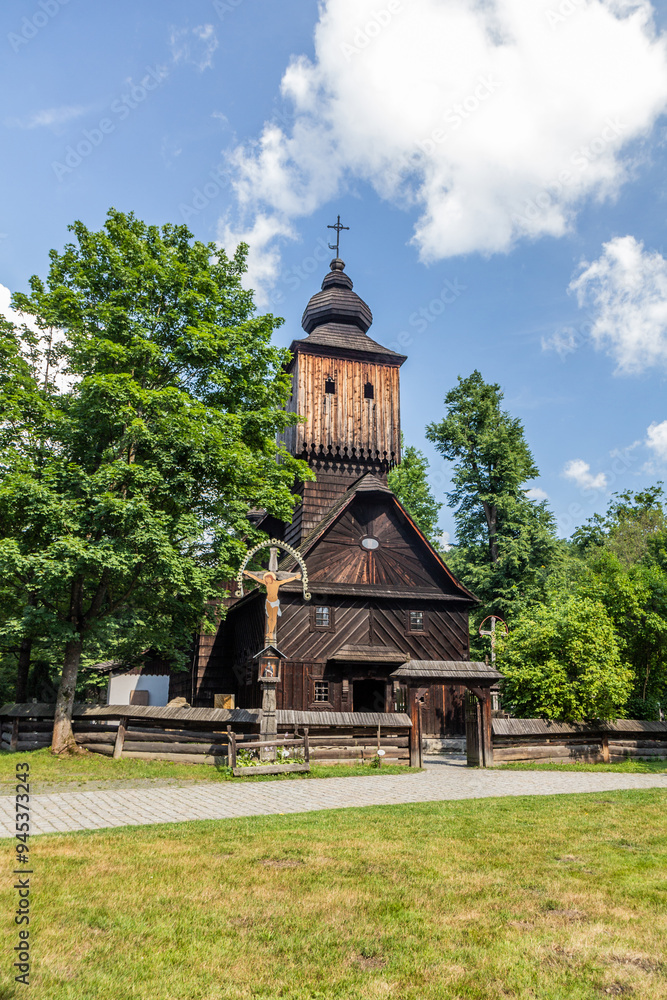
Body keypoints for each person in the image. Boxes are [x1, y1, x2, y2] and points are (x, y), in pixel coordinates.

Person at [242, 569, 302, 643]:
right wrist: (248, 573)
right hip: (268, 602)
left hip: (275, 602)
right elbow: (256, 578)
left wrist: (295, 577)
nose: (267, 581)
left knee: (273, 617)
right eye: (266, 579)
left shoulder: (277, 583)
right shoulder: (267, 584)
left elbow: (287, 580)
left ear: (271, 578)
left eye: (268, 579)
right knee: (270, 617)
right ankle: (269, 633)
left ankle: (271, 632)